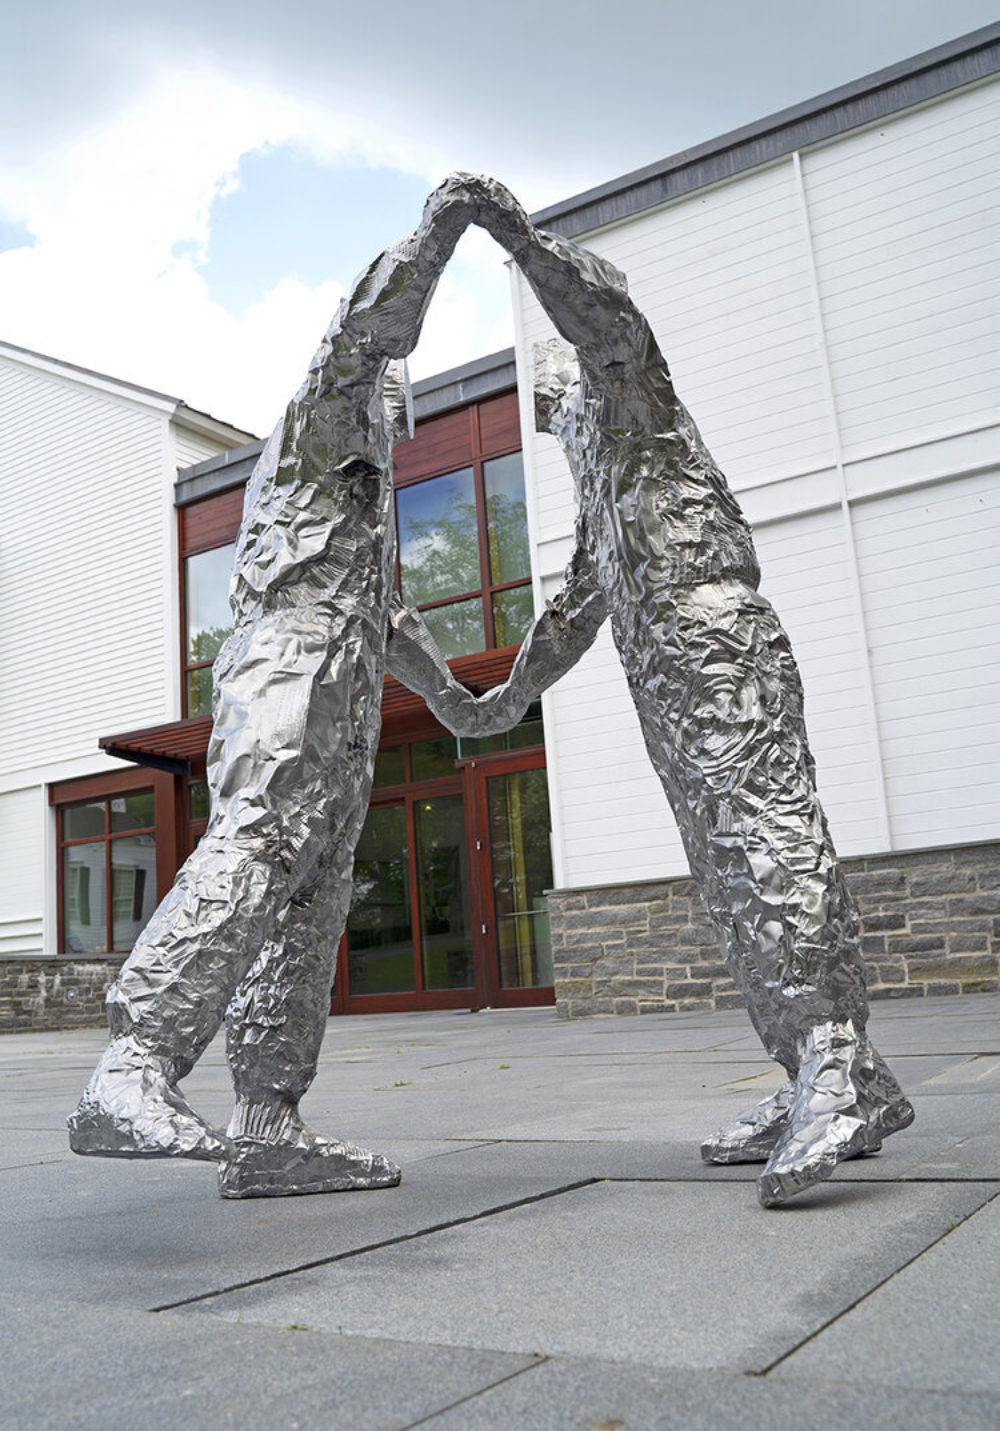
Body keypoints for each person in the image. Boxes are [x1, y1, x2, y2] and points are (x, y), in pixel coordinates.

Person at [391, 176, 914, 1207]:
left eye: (547, 390)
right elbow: (577, 606)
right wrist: (493, 704)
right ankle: (827, 1072)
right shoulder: (593, 468)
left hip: (715, 644)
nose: (541, 407)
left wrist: (513, 233)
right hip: (661, 678)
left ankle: (835, 1062)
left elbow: (612, 326)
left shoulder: (629, 397)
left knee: (766, 843)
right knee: (729, 875)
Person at [69, 184, 490, 1199]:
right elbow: (363, 328)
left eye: (402, 404)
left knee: (309, 909)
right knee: (258, 842)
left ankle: (267, 1122)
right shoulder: (314, 423)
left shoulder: (367, 511)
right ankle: (133, 1067)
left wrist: (474, 705)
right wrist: (444, 229)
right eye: (391, 392)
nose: (399, 410)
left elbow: (403, 638)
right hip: (288, 666)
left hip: (345, 702)